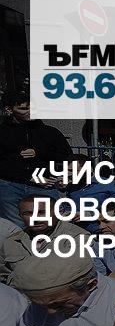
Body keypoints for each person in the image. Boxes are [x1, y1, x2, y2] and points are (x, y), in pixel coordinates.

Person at [0, 91, 69, 227]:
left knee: (53, 224)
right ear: (9, 110)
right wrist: (28, 176)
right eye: (24, 108)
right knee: (15, 228)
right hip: (10, 186)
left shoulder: (50, 132)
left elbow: (66, 157)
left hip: (45, 186)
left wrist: (39, 153)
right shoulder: (3, 132)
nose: (31, 112)